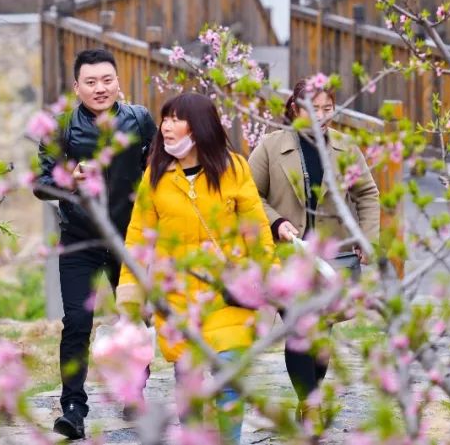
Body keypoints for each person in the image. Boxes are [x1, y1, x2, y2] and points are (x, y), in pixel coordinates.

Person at [117, 92, 275, 444]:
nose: (166, 126)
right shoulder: (156, 175)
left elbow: (257, 228)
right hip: (178, 297)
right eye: (165, 118)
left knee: (229, 380)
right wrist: (130, 293)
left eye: (176, 118)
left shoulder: (234, 169)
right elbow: (138, 238)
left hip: (227, 294)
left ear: (199, 125)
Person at [34, 49, 156, 440]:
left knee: (133, 321)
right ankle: (73, 408)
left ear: (118, 81)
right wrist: (70, 175)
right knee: (76, 324)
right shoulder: (62, 127)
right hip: (79, 240)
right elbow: (40, 184)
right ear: (77, 87)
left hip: (129, 240)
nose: (100, 88)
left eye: (107, 79)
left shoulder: (139, 120)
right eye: (91, 81)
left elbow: (158, 174)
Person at [247, 79, 380, 420]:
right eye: (311, 108)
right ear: (294, 108)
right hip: (288, 254)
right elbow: (249, 195)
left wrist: (368, 238)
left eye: (326, 108)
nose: (320, 116)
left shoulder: (346, 147)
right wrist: (275, 222)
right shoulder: (271, 146)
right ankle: (311, 404)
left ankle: (313, 392)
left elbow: (367, 194)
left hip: (333, 255)